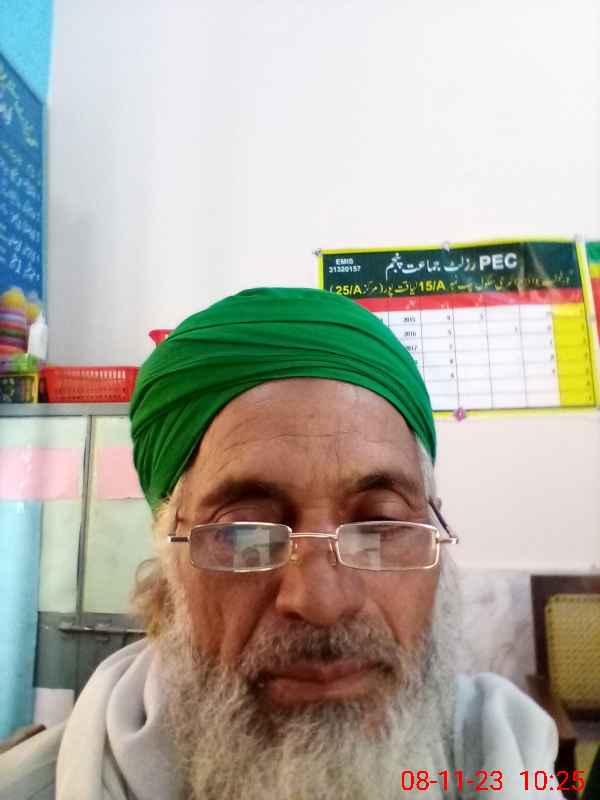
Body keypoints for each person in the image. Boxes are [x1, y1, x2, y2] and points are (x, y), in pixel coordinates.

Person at [0, 287, 560, 799]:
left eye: (379, 524)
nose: (322, 602)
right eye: (245, 532)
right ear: (169, 570)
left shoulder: (506, 763)